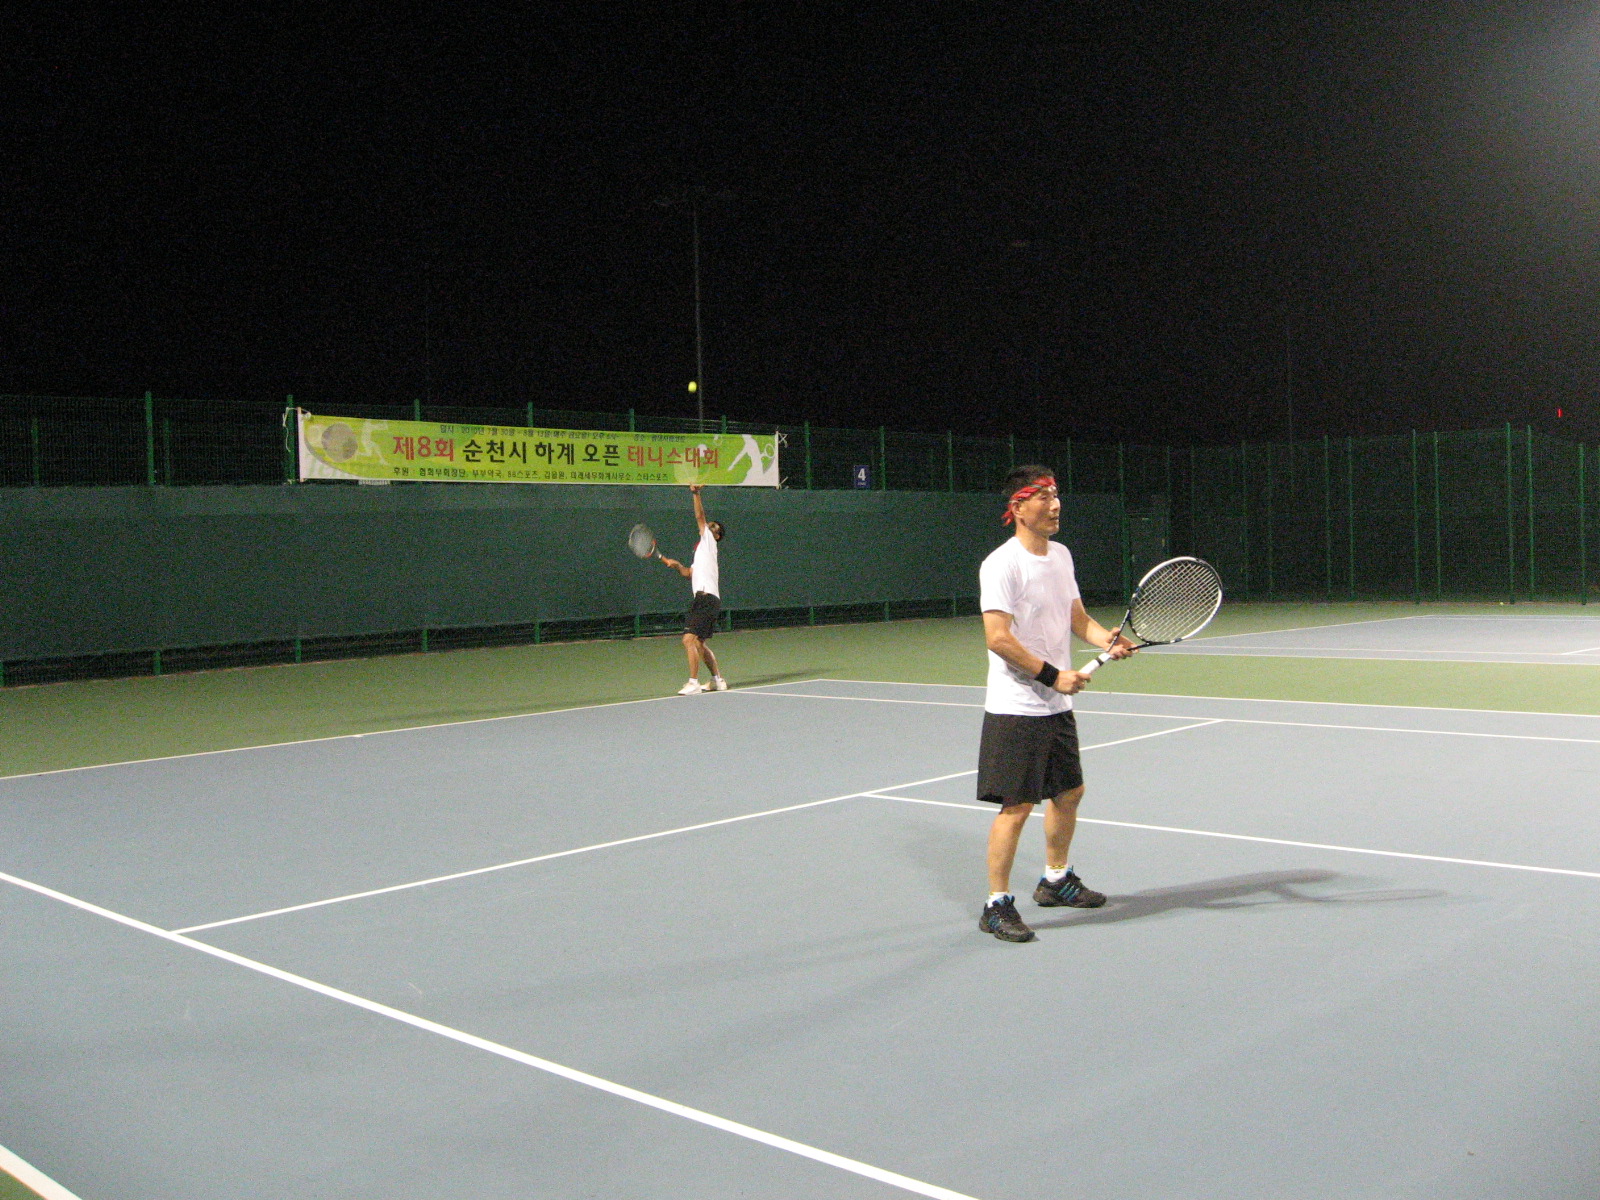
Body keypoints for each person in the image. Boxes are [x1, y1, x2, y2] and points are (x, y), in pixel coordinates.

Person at [976, 465, 1135, 943]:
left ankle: (1055, 880)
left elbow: (1076, 618)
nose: (1055, 504)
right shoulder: (1001, 564)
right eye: (1043, 496)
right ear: (1018, 507)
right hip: (1016, 706)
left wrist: (1106, 639)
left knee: (1068, 793)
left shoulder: (1061, 556)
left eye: (1056, 494)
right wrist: (1052, 675)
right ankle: (996, 905)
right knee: (1017, 806)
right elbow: (998, 638)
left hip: (1055, 707)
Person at [658, 483, 727, 695]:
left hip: (706, 599)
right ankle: (717, 680)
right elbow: (689, 573)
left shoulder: (709, 541)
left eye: (713, 527)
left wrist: (696, 494)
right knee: (699, 644)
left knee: (688, 639)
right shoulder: (702, 554)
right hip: (707, 599)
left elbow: (699, 516)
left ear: (716, 536)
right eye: (710, 526)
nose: (709, 526)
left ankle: (693, 682)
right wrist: (677, 565)